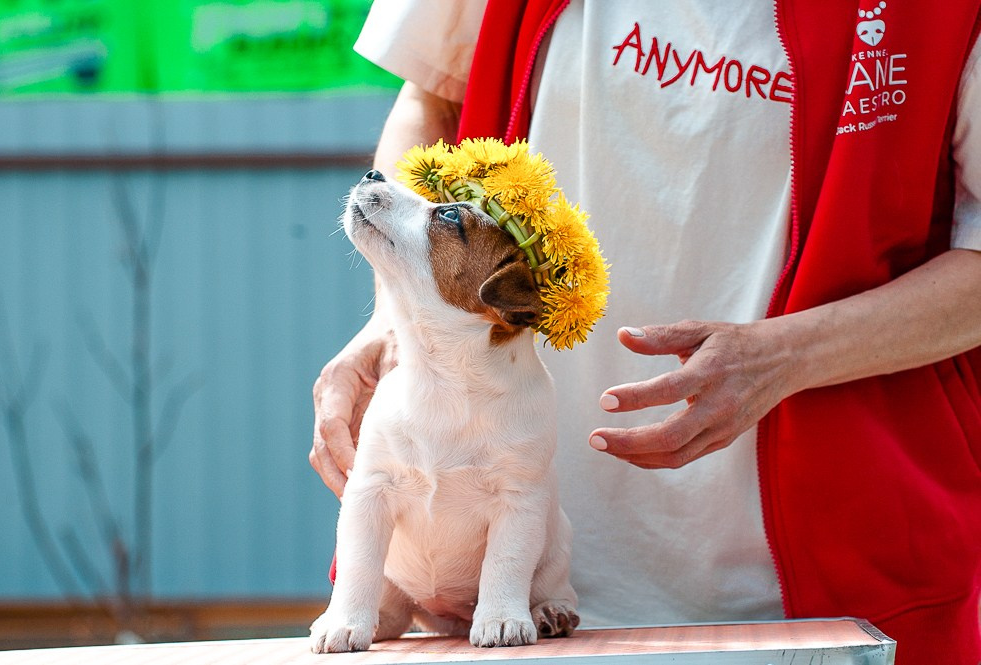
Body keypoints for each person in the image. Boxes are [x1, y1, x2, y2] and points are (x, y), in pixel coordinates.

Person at [311, 1, 981, 662]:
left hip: (827, 593)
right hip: (482, 591)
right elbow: (431, 98)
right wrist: (396, 315)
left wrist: (788, 355)